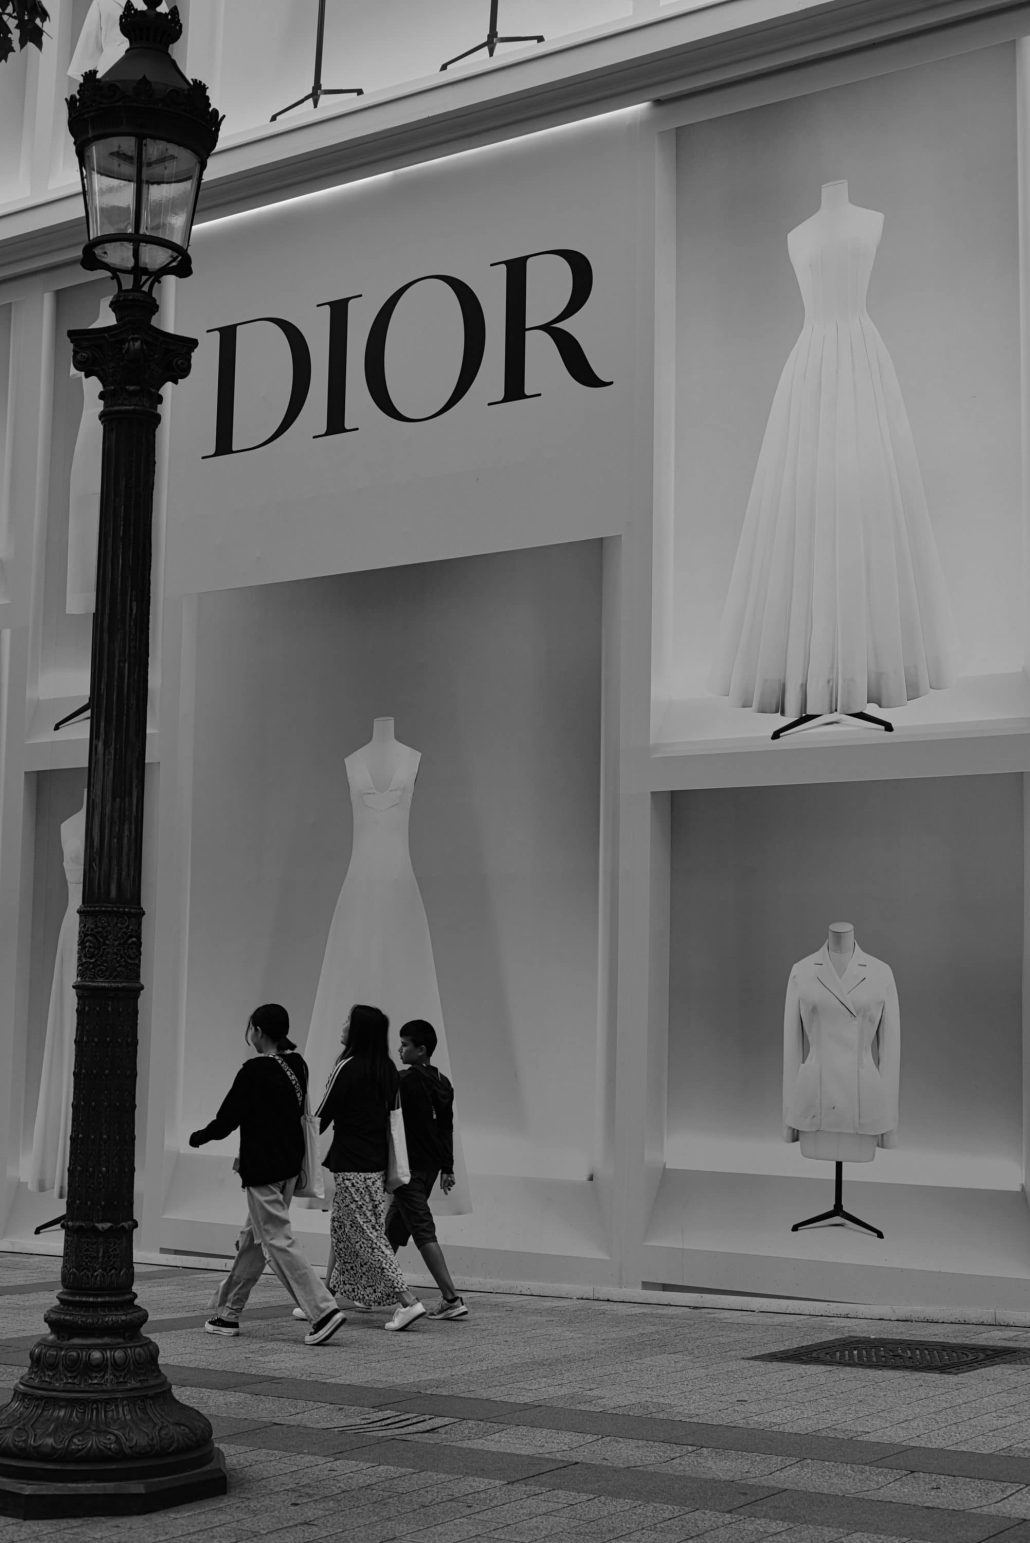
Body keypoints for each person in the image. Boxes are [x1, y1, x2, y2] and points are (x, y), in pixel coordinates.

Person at [188, 1003, 346, 1346]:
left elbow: (226, 1120)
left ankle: (323, 1311)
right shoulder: (297, 1065)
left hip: (262, 1169)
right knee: (253, 1241)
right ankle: (227, 1314)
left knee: (276, 1240)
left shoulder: (253, 1070)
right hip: (289, 1168)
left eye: (251, 1029)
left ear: (258, 1031)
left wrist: (198, 1137)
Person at [317, 1004, 426, 1331]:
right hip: (377, 1165)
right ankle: (324, 1300)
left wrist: (296, 1144)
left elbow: (323, 1113)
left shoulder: (347, 1066)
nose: (343, 1025)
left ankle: (408, 1301)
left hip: (350, 1163)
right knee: (342, 1228)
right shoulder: (387, 1069)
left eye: (347, 1020)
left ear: (358, 1030)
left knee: (366, 1235)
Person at [387, 1020, 468, 1320]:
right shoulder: (443, 1082)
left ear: (421, 1050)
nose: (400, 1049)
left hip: (407, 1167)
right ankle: (366, 1288)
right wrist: (447, 1167)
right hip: (430, 1168)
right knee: (393, 1228)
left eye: (405, 1045)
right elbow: (446, 1128)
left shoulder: (405, 1080)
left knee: (422, 1230)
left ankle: (451, 1298)